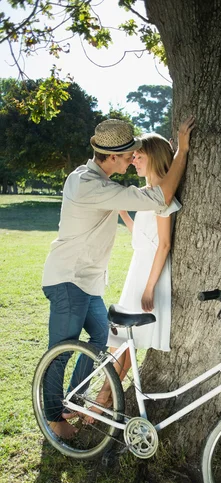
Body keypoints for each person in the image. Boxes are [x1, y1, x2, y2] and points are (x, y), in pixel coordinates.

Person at [42, 116, 195, 439]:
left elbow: (149, 208)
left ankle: (76, 401)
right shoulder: (90, 185)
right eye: (128, 156)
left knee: (101, 342)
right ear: (112, 157)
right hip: (69, 279)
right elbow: (159, 199)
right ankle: (54, 417)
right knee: (62, 350)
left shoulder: (94, 181)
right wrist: (182, 150)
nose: (131, 160)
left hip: (88, 282)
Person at [91, 133, 179, 414]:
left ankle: (102, 401)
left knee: (126, 344)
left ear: (154, 157)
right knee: (122, 344)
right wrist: (126, 217)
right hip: (137, 272)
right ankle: (103, 400)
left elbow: (163, 245)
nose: (134, 161)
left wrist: (150, 287)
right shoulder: (146, 194)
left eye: (139, 156)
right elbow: (145, 239)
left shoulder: (162, 198)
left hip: (148, 278)